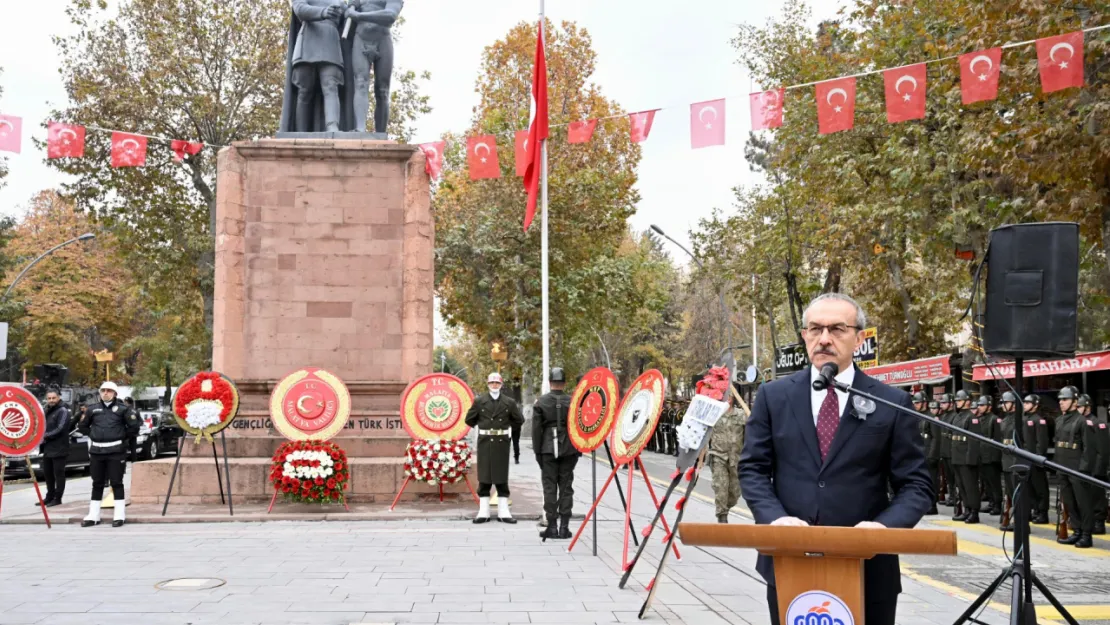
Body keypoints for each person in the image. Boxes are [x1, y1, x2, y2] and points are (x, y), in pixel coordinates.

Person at [739, 293, 931, 625]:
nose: (824, 339)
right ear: (804, 336)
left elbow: (916, 484)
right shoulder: (774, 396)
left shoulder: (892, 402)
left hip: (869, 568)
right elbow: (753, 469)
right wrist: (775, 519)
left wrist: (883, 528)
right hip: (790, 562)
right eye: (815, 329)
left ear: (859, 338)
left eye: (838, 329)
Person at [464, 372, 524, 524]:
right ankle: (483, 512)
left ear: (501, 384)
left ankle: (504, 512)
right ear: (488, 384)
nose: (494, 385)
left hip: (501, 442)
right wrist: (482, 426)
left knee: (501, 477)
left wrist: (507, 430)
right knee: (484, 477)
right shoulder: (479, 401)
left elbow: (519, 420)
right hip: (485, 442)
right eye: (492, 383)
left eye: (497, 383)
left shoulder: (509, 402)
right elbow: (469, 419)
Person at [78, 381, 139, 528]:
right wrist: (93, 435)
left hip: (115, 451)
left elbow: (134, 427)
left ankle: (119, 515)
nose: (105, 393)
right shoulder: (92, 409)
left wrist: (120, 437)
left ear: (115, 393)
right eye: (103, 390)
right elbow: (82, 426)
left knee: (116, 482)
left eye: (109, 391)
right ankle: (93, 515)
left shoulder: (123, 409)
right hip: (97, 451)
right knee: (97, 483)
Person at [532, 368, 580, 539]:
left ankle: (552, 526)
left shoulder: (541, 402)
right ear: (564, 383)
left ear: (550, 382)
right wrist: (578, 448)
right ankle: (564, 527)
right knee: (566, 488)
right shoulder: (573, 402)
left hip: (547, 448)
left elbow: (536, 430)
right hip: (569, 448)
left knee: (549, 487)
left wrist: (538, 451)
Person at [1053, 386, 1099, 548]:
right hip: (1063, 466)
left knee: (1083, 503)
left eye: (1064, 399)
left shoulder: (1082, 421)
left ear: (1074, 401)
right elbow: (1057, 444)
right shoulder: (1059, 420)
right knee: (1070, 503)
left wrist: (1084, 469)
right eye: (1060, 400)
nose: (1061, 402)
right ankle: (1077, 531)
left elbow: (1089, 449)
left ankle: (1087, 534)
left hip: (1077, 468)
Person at [709, 385, 746, 523]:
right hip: (718, 455)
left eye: (729, 396)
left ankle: (726, 505)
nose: (727, 399)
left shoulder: (741, 414)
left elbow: (750, 433)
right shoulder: (714, 414)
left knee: (735, 491)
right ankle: (722, 515)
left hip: (736, 457)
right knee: (720, 485)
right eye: (725, 396)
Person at [1079, 394, 1109, 535]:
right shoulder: (1078, 422)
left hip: (1095, 467)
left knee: (1097, 496)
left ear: (1087, 407)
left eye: (1079, 406)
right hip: (1083, 466)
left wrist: (1098, 470)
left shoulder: (1098, 423)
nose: (1077, 409)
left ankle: (1099, 522)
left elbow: (1102, 450)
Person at [950, 390, 980, 523]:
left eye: (959, 400)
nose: (957, 402)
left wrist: (970, 459)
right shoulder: (958, 416)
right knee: (961, 485)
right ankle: (967, 509)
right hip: (957, 456)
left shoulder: (971, 418)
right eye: (956, 401)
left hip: (966, 458)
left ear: (967, 401)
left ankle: (974, 511)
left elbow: (973, 441)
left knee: (970, 486)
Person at [39, 388, 72, 507]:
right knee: (48, 474)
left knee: (59, 474)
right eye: (49, 398)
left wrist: (44, 436)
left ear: (58, 397)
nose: (51, 400)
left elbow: (60, 428)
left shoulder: (63, 410)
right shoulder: (47, 410)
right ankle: (49, 496)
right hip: (48, 447)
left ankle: (58, 498)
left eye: (53, 398)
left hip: (60, 447)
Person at [1022, 394, 1052, 524]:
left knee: (1040, 488)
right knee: (1030, 487)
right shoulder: (1024, 418)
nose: (1025, 405)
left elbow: (1042, 442)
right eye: (1025, 402)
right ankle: (1035, 510)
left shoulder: (1039, 420)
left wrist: (1038, 457)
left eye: (1028, 403)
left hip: (1035, 458)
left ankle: (1042, 512)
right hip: (1025, 457)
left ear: (1035, 405)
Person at [977, 395, 1004, 516]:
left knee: (994, 482)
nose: (979, 407)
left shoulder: (994, 419)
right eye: (979, 405)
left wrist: (995, 458)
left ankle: (998, 504)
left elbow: (998, 440)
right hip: (982, 455)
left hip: (991, 456)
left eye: (982, 405)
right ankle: (991, 502)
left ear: (989, 406)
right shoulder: (980, 419)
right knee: (986, 482)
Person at [998, 391, 1019, 531]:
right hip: (1006, 461)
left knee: (1018, 494)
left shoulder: (1020, 420)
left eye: (1006, 402)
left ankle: (1020, 520)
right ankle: (1011, 518)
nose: (1003, 405)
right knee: (1010, 494)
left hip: (1016, 461)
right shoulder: (1004, 420)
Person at [937, 393, 958, 509]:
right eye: (941, 403)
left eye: (944, 402)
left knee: (954, 477)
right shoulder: (943, 416)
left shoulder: (955, 416)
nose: (942, 405)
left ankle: (956, 497)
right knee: (948, 477)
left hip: (951, 450)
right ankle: (951, 496)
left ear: (951, 403)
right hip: (944, 450)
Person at [923, 399, 942, 515]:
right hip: (922, 454)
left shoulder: (932, 418)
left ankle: (932, 505)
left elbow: (936, 438)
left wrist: (932, 455)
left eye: (918, 402)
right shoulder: (920, 416)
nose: (916, 405)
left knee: (932, 481)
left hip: (930, 455)